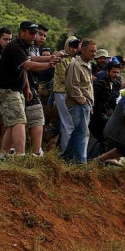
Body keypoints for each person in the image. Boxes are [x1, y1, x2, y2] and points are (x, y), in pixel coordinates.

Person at [0, 21, 59, 157]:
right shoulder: (15, 46)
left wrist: (26, 87)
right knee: (19, 121)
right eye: (31, 33)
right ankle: (20, 155)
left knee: (14, 123)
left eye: (35, 33)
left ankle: (2, 154)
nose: (34, 36)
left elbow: (29, 60)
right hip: (7, 90)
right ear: (22, 32)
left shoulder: (22, 45)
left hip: (16, 89)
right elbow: (27, 65)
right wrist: (49, 64)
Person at [61, 38, 96, 164]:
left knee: (78, 131)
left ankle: (65, 157)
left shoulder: (87, 64)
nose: (94, 54)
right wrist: (83, 102)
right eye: (91, 51)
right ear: (83, 50)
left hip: (84, 104)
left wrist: (88, 103)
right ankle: (81, 162)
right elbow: (72, 86)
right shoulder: (75, 65)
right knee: (83, 133)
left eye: (95, 51)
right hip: (78, 103)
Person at [25, 24, 50, 156]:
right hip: (26, 87)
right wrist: (50, 61)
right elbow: (29, 65)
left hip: (31, 86)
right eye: (40, 34)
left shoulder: (35, 48)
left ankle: (8, 151)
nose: (42, 38)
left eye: (44, 36)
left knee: (19, 122)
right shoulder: (27, 47)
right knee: (37, 118)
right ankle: (36, 152)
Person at [89, 59, 122, 157]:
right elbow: (92, 97)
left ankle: (101, 159)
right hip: (95, 115)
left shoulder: (116, 84)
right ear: (107, 72)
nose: (116, 75)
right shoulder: (101, 83)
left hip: (105, 115)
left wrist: (111, 108)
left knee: (106, 138)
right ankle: (95, 158)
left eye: (118, 72)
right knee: (103, 137)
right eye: (114, 72)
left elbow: (114, 98)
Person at [52, 36, 79, 151]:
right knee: (68, 123)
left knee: (68, 123)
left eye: (76, 47)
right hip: (61, 92)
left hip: (70, 93)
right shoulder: (61, 58)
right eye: (72, 47)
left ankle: (67, 151)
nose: (74, 49)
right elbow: (65, 78)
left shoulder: (74, 59)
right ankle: (66, 152)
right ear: (67, 46)